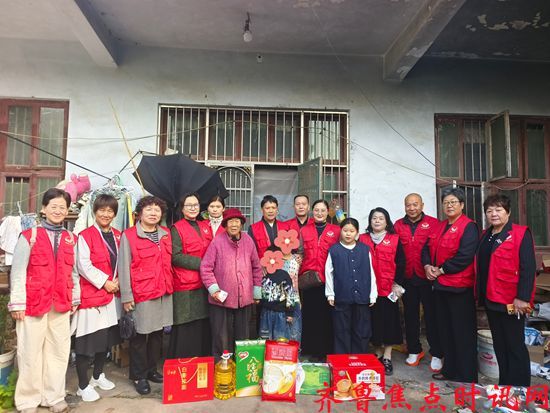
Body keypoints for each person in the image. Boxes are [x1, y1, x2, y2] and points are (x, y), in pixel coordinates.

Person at [8, 188, 80, 413]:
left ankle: (54, 397)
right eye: (53, 206)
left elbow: (74, 273)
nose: (58, 211)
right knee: (30, 352)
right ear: (44, 209)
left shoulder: (71, 239)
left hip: (61, 303)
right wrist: (17, 303)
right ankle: (28, 401)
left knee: (58, 352)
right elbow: (18, 271)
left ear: (67, 211)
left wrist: (75, 298)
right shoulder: (29, 236)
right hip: (33, 303)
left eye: (62, 207)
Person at [476, 194, 536, 386]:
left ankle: (520, 389)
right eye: (489, 210)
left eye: (498, 209)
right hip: (491, 298)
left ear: (508, 212)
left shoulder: (520, 233)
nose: (493, 214)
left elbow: (528, 267)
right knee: (500, 345)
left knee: (514, 345)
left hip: (512, 300)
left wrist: (522, 297)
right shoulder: (485, 235)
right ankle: (506, 385)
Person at [423, 187, 479, 383]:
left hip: (459, 288)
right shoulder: (439, 226)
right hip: (440, 287)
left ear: (462, 205)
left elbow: (465, 256)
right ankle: (449, 371)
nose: (449, 206)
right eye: (446, 202)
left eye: (453, 202)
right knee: (445, 331)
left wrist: (441, 270)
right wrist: (428, 266)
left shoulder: (469, 226)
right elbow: (426, 249)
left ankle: (466, 375)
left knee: (462, 333)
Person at [119, 196, 174, 395]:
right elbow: (124, 266)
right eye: (149, 209)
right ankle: (138, 375)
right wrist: (127, 296)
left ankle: (151, 369)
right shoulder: (129, 235)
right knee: (140, 336)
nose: (153, 213)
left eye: (157, 210)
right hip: (142, 292)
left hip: (164, 291)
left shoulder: (166, 233)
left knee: (158, 334)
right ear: (139, 214)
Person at [73, 194, 121, 402]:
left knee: (105, 339)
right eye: (102, 210)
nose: (106, 214)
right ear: (94, 211)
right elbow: (83, 265)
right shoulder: (85, 235)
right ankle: (82, 386)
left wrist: (118, 281)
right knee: (86, 342)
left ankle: (97, 375)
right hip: (92, 296)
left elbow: (123, 262)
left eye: (110, 211)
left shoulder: (118, 235)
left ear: (115, 214)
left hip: (112, 296)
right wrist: (105, 282)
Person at [200, 208, 263, 359]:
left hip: (244, 298)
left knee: (243, 335)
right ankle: (222, 366)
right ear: (225, 224)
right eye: (230, 222)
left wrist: (256, 292)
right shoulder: (217, 242)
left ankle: (241, 365)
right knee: (221, 336)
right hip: (221, 299)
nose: (234, 225)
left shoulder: (248, 241)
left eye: (237, 221)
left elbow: (256, 267)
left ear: (241, 224)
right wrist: (214, 290)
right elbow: (206, 267)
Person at [393, 193, 443, 372]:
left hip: (428, 278)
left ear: (422, 205)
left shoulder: (434, 223)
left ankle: (436, 352)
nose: (412, 208)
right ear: (404, 206)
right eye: (408, 205)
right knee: (410, 315)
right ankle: (414, 350)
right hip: (408, 278)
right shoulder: (398, 225)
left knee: (432, 316)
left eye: (415, 204)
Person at [359, 208, 405, 376]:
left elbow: (401, 263)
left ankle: (387, 356)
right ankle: (377, 352)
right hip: (368, 289)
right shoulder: (362, 239)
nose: (377, 221)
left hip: (388, 289)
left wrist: (397, 284)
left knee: (389, 322)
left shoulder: (394, 239)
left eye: (381, 218)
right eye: (374, 218)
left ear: (387, 222)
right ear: (370, 221)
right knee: (373, 321)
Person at [168, 192, 212, 358]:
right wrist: (203, 264)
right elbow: (175, 256)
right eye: (189, 205)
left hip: (205, 283)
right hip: (185, 284)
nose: (193, 208)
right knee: (186, 325)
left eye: (196, 205)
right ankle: (183, 364)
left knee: (203, 324)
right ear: (182, 208)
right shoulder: (176, 228)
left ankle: (202, 362)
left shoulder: (205, 226)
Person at [325, 218, 377, 354]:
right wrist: (330, 294)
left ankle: (359, 358)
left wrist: (372, 294)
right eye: (345, 231)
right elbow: (329, 273)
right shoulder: (334, 250)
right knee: (341, 330)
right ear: (340, 231)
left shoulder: (365, 250)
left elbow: (371, 272)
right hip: (342, 297)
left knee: (361, 330)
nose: (348, 234)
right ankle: (343, 360)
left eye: (352, 231)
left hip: (362, 297)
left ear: (357, 233)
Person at [300, 199, 340, 360]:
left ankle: (325, 350)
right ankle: (310, 349)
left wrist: (339, 211)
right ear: (312, 211)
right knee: (310, 315)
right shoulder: (304, 230)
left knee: (326, 317)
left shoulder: (336, 230)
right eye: (316, 210)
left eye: (323, 210)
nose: (319, 213)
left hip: (328, 280)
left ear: (328, 211)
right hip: (309, 279)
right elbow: (300, 252)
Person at [259, 266, 299, 341]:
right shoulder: (262, 274)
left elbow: (289, 293)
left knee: (280, 339)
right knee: (265, 338)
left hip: (280, 314)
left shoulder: (283, 274)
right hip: (265, 312)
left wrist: (290, 313)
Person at [248, 194, 289, 260]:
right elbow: (251, 252)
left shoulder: (285, 227)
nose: (271, 211)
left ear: (277, 209)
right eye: (267, 208)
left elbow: (291, 248)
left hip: (283, 263)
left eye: (273, 208)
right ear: (262, 209)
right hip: (262, 264)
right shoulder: (253, 228)